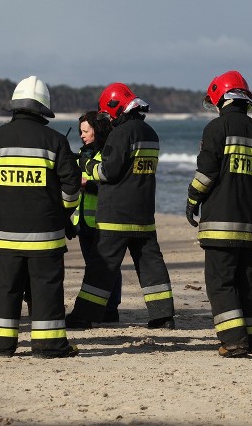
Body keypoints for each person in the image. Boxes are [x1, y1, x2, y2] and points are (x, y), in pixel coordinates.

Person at [0, 76, 80, 358]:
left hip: (6, 234)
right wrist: (62, 212)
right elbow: (71, 186)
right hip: (46, 236)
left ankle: (0, 345)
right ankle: (48, 346)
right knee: (46, 289)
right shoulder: (56, 141)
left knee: (5, 290)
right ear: (43, 109)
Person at [66, 83, 175, 330]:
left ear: (116, 107)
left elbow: (109, 172)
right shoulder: (150, 133)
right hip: (144, 213)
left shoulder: (120, 133)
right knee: (151, 267)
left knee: (101, 268)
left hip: (116, 214)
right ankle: (163, 316)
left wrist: (87, 168)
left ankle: (84, 316)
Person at [185, 70, 252, 357]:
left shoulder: (216, 128)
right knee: (245, 283)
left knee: (221, 283)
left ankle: (234, 340)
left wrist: (192, 200)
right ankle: (249, 339)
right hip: (250, 225)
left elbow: (207, 173)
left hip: (219, 224)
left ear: (220, 99)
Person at [72, 110, 123, 323]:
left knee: (109, 267)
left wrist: (87, 184)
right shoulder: (81, 155)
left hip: (103, 220)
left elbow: (111, 183)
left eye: (86, 131)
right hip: (82, 221)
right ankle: (98, 307)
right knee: (92, 266)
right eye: (80, 132)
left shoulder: (107, 154)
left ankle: (110, 308)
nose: (82, 135)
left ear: (97, 130)